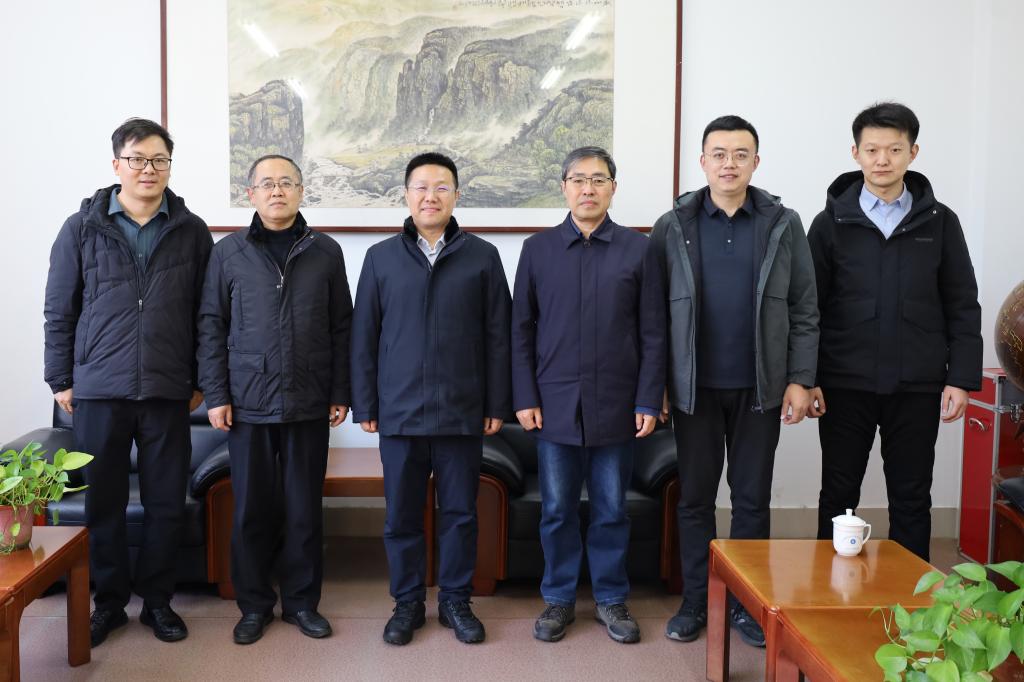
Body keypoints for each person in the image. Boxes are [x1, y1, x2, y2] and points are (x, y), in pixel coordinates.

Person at [650, 115, 819, 647]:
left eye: (740, 154)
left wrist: (800, 378)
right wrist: (657, 384)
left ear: (756, 162)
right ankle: (696, 601)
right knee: (695, 500)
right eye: (719, 154)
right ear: (702, 161)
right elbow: (652, 315)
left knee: (751, 500)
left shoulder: (782, 223)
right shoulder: (672, 224)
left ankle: (747, 605)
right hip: (693, 389)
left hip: (760, 388)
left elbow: (805, 307)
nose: (729, 163)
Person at [43, 118, 213, 646]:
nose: (148, 169)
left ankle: (158, 603)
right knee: (103, 504)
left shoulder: (191, 230)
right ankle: (110, 603)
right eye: (137, 159)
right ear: (117, 164)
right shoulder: (81, 227)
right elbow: (59, 308)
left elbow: (207, 314)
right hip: (98, 389)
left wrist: (201, 378)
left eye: (159, 160)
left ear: (169, 167)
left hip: (167, 389)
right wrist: (61, 378)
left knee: (166, 503)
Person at [808, 102, 982, 560]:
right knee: (838, 492)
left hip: (917, 384)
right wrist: (809, 378)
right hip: (844, 383)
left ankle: (910, 596)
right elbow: (809, 309)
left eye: (894, 149)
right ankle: (828, 594)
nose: (882, 159)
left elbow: (962, 304)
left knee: (911, 495)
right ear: (856, 153)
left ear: (913, 152)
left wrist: (961, 379)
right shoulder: (829, 224)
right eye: (872, 150)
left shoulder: (940, 222)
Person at [350, 152, 512, 646]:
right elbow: (364, 336)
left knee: (460, 513)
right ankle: (407, 603)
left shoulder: (483, 256)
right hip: (399, 412)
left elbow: (499, 336)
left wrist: (496, 404)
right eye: (421, 187)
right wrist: (366, 404)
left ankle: (457, 601)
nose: (430, 196)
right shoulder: (380, 258)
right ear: (406, 195)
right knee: (401, 516)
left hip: (462, 411)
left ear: (457, 195)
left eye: (441, 187)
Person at [511, 146, 665, 644]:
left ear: (613, 188)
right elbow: (521, 331)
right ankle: (558, 599)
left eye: (599, 180)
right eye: (578, 179)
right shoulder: (537, 250)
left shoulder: (639, 250)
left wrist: (648, 399)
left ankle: (611, 599)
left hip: (618, 404)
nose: (588, 189)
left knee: (611, 510)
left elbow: (653, 332)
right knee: (557, 510)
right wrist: (524, 397)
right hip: (554, 405)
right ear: (564, 187)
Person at [198, 154, 352, 644]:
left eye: (287, 182)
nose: (277, 191)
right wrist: (216, 395)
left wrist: (340, 391)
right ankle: (254, 606)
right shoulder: (229, 252)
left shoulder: (325, 251)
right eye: (267, 184)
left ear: (302, 191)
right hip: (248, 402)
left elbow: (341, 327)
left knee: (304, 509)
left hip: (309, 399)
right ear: (252, 194)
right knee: (251, 511)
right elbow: (211, 326)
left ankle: (303, 604)